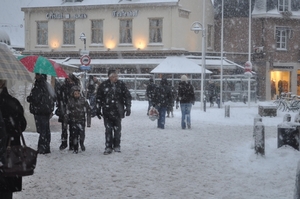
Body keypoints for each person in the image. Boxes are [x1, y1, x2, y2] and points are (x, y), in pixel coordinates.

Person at [0, 79, 27, 198]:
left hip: (7, 147)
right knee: (6, 185)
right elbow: (22, 124)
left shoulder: (10, 103)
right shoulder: (13, 103)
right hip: (9, 150)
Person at [96, 69, 132, 155]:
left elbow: (127, 96)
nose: (115, 78)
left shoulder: (121, 85)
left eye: (116, 76)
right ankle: (108, 146)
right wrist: (97, 109)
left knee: (117, 130)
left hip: (118, 111)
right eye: (113, 76)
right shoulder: (104, 85)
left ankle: (117, 145)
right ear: (109, 77)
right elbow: (99, 98)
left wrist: (128, 107)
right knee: (108, 129)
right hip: (107, 111)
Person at [27, 73, 55, 154]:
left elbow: (35, 99)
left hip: (39, 111)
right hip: (46, 111)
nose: (35, 76)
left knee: (42, 130)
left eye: (37, 75)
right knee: (46, 129)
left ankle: (42, 147)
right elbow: (52, 97)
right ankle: (46, 147)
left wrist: (29, 98)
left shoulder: (38, 86)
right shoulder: (47, 85)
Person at [65, 86, 91, 154]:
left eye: (78, 93)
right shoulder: (70, 101)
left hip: (81, 119)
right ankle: (75, 147)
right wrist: (66, 121)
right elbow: (67, 111)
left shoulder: (83, 100)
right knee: (74, 135)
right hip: (73, 120)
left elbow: (88, 110)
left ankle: (81, 143)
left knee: (82, 134)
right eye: (75, 93)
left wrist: (88, 122)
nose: (77, 95)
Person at [55, 74, 77, 150]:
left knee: (72, 128)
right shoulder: (63, 87)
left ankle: (71, 144)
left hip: (72, 110)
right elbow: (59, 97)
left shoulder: (75, 88)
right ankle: (64, 143)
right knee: (64, 128)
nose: (69, 81)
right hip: (64, 109)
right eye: (68, 79)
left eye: (70, 79)